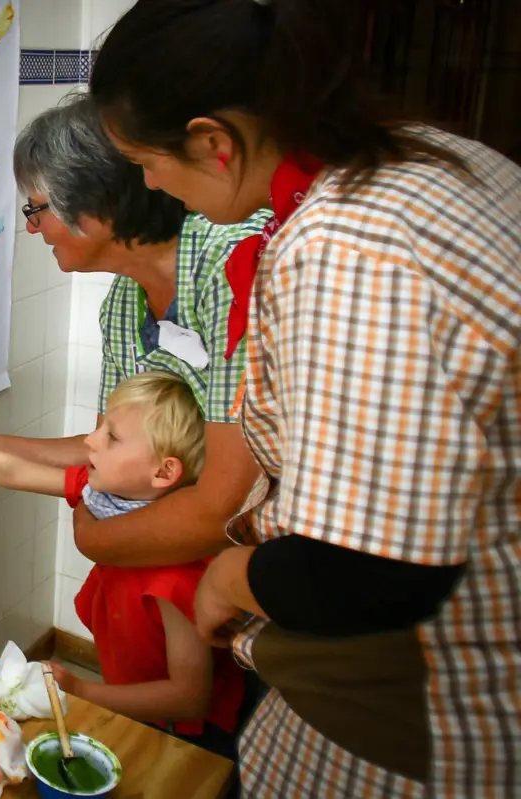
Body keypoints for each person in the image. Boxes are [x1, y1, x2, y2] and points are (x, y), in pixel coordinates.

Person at [88, 1, 521, 796]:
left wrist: (233, 576)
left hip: (425, 718)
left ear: (214, 143)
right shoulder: (432, 159)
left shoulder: (343, 246)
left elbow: (372, 569)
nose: (148, 186)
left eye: (146, 163)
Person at [0, 93, 269, 569]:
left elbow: (226, 501)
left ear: (93, 205)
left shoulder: (230, 269)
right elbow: (100, 451)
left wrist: (94, 538)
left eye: (36, 210)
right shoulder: (122, 308)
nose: (34, 230)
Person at [0, 371, 245, 760]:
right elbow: (9, 471)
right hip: (131, 702)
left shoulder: (181, 577)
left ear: (164, 472)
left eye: (111, 436)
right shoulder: (108, 497)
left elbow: (188, 699)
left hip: (196, 740)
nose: (91, 440)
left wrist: (81, 690)